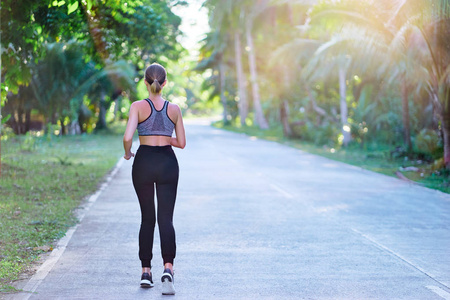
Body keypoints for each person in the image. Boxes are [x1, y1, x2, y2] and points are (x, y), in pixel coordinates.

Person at [123, 63, 186, 295]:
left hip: (144, 163)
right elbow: (181, 143)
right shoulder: (174, 109)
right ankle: (168, 269)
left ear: (145, 82)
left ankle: (146, 271)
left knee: (147, 219)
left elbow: (128, 136)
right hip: (168, 164)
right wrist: (164, 138)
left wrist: (128, 152)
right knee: (166, 219)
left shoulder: (138, 106)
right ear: (165, 83)